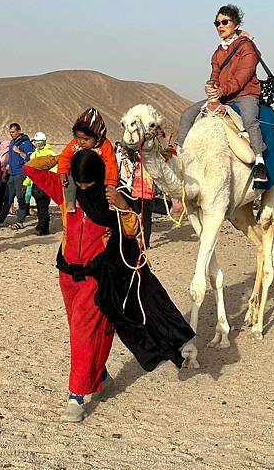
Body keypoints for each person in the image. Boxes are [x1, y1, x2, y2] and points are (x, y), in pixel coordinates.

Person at [23, 150, 194, 422]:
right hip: (67, 276)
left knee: (83, 332)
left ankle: (76, 396)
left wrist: (123, 206)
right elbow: (32, 169)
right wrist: (65, 154)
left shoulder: (110, 198)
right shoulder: (66, 189)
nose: (81, 189)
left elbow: (131, 232)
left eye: (86, 184)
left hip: (97, 277)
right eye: (78, 183)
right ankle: (99, 376)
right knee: (85, 331)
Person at [177, 4, 267, 183]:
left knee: (250, 120)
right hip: (223, 94)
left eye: (225, 22)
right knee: (187, 115)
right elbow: (215, 75)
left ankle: (259, 161)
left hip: (245, 94)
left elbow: (243, 76)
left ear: (236, 24)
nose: (220, 26)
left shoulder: (247, 47)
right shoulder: (218, 52)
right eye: (217, 23)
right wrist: (211, 87)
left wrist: (221, 90)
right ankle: (182, 157)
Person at [58, 107, 118, 213]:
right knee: (69, 180)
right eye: (78, 137)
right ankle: (71, 202)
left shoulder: (105, 145)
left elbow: (111, 164)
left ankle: (110, 203)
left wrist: (111, 183)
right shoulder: (74, 144)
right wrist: (63, 172)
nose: (81, 142)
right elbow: (65, 157)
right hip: (78, 177)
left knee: (107, 190)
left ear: (98, 135)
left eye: (86, 139)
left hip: (98, 177)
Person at [0, 123, 35, 230]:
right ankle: (1, 220)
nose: (12, 134)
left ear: (19, 131)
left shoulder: (26, 143)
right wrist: (6, 172)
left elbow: (30, 158)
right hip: (12, 174)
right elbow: (11, 159)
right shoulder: (12, 142)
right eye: (10, 132)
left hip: (21, 174)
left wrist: (18, 151)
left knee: (21, 198)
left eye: (13, 132)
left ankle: (20, 221)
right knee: (7, 199)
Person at [22, 132, 56, 236]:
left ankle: (42, 228)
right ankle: (42, 226)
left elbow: (54, 171)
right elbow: (30, 172)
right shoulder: (34, 155)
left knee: (43, 206)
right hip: (35, 185)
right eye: (36, 142)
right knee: (40, 206)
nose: (37, 144)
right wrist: (26, 183)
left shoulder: (50, 154)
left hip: (45, 184)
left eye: (38, 142)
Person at [131, 161, 155, 249]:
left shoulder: (148, 166)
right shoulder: (140, 164)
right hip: (139, 194)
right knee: (144, 220)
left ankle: (145, 242)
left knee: (144, 219)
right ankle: (144, 242)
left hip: (144, 195)